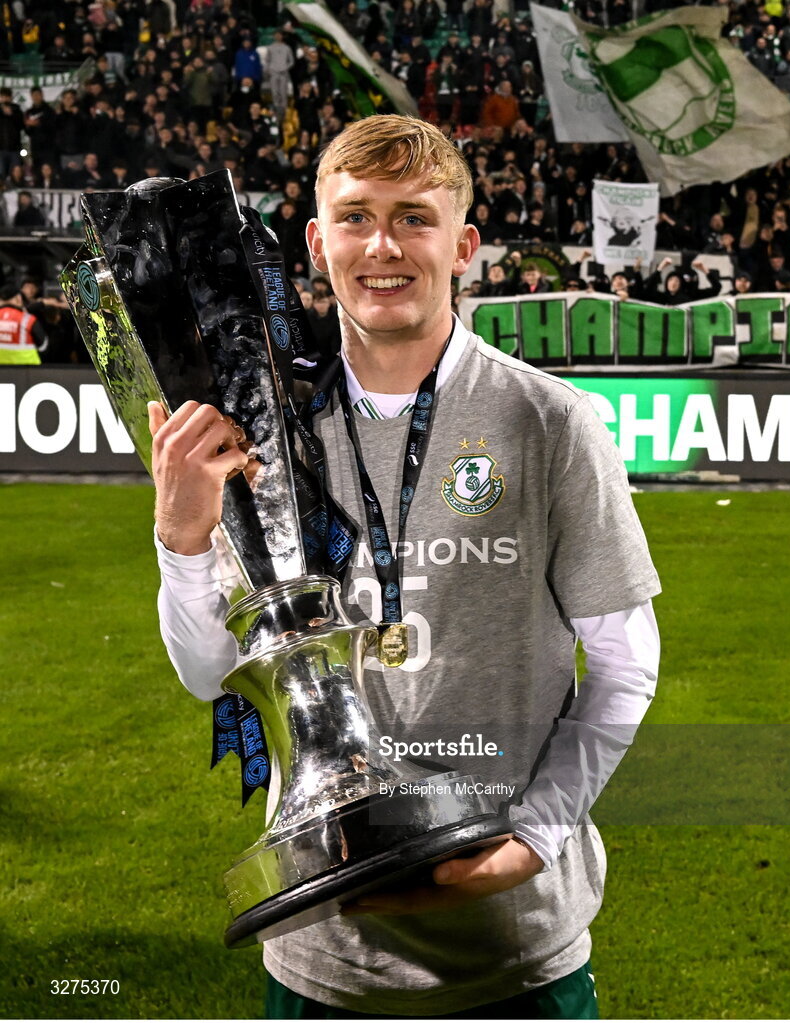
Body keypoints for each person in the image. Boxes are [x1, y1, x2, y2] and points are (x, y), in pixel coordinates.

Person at [148, 115, 660, 1019]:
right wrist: (181, 536)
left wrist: (530, 841)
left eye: (413, 218)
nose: (381, 245)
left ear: (462, 244)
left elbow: (625, 665)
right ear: (316, 242)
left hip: (515, 946)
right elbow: (207, 676)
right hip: (323, 949)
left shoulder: (550, 422)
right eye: (355, 217)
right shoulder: (259, 430)